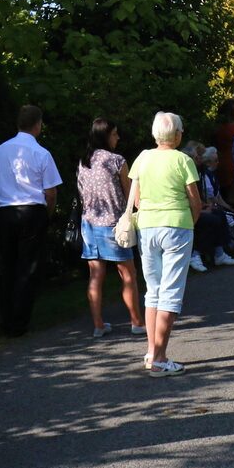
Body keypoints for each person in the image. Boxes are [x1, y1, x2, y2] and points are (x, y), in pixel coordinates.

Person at [128, 112, 202, 376]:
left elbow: (136, 199)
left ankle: (151, 352)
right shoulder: (183, 160)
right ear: (178, 134)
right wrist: (190, 222)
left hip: (147, 226)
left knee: (153, 291)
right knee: (170, 293)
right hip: (177, 226)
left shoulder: (142, 158)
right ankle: (160, 359)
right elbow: (195, 200)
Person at [0, 105, 62, 336]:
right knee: (28, 267)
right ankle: (19, 321)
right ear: (38, 124)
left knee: (8, 264)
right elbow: (50, 192)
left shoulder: (0, 151)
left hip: (5, 210)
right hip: (32, 210)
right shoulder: (41, 153)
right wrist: (47, 214)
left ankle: (6, 318)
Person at [75, 117, 144, 337]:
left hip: (89, 224)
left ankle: (98, 325)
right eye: (115, 134)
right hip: (114, 225)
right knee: (128, 274)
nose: (118, 137)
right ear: (106, 136)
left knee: (96, 275)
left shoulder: (83, 161)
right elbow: (131, 194)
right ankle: (136, 322)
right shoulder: (117, 161)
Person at [182, 142, 234, 271]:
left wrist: (204, 205)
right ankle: (195, 254)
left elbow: (198, 196)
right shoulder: (189, 171)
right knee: (209, 220)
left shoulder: (200, 171)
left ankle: (219, 253)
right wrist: (202, 208)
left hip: (195, 207)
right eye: (198, 156)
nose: (200, 159)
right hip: (187, 209)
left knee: (219, 213)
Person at [213, 99, 234, 207]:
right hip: (232, 161)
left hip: (220, 160)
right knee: (233, 195)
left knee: (224, 192)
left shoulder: (218, 127)